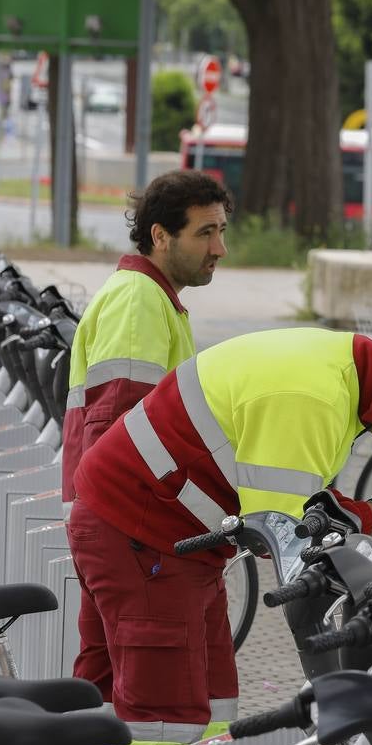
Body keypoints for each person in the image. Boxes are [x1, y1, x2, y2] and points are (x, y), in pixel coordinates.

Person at [67, 324, 372, 745]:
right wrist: (371, 527)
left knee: (190, 699)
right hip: (145, 538)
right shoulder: (315, 398)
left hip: (153, 534)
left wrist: (368, 516)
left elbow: (306, 506)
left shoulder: (341, 369)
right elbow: (286, 535)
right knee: (166, 717)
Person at [60, 170, 231, 504]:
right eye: (205, 233)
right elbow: (119, 429)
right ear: (161, 236)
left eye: (222, 231)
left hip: (127, 519)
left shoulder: (154, 298)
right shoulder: (139, 300)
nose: (220, 249)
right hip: (126, 520)